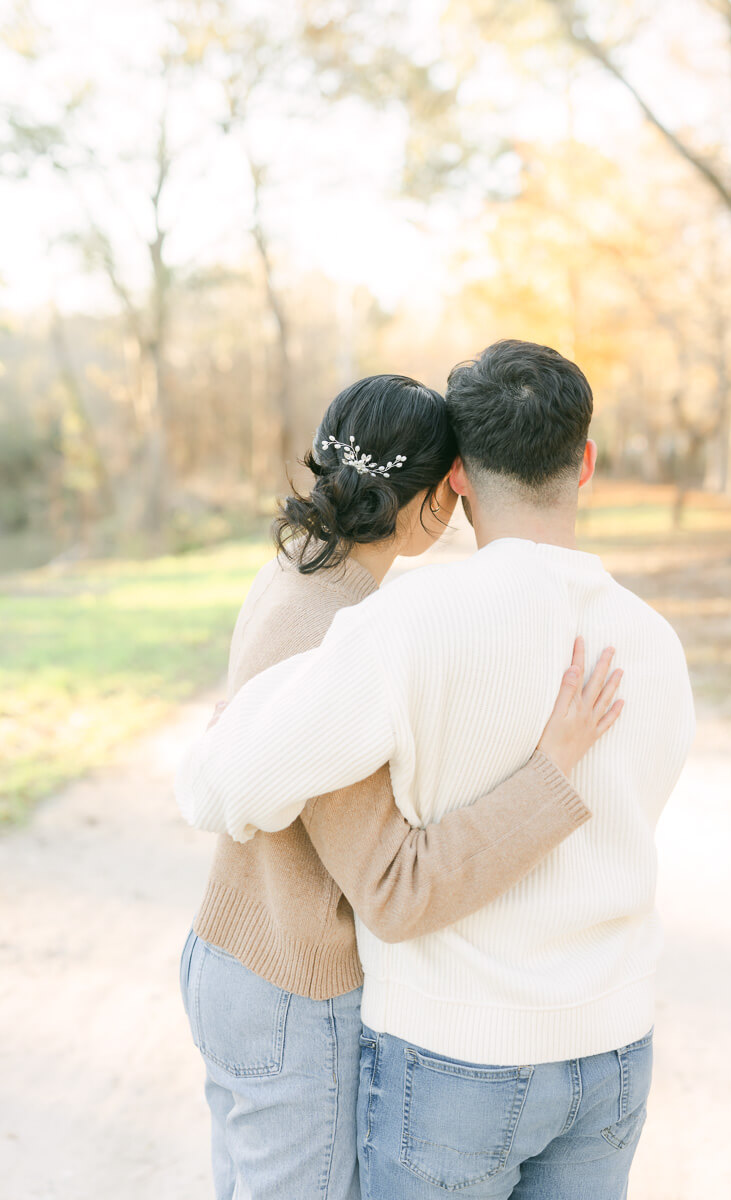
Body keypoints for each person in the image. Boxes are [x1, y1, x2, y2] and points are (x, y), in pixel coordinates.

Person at [177, 371, 625, 1200]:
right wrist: (554, 773)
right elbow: (396, 885)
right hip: (291, 990)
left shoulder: (295, 569)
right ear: (430, 500)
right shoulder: (335, 633)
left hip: (233, 955)